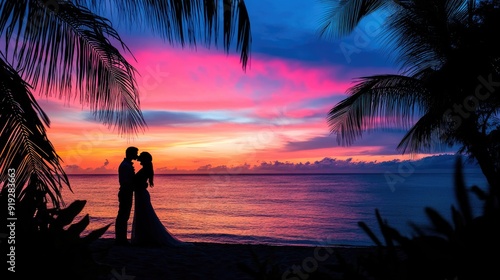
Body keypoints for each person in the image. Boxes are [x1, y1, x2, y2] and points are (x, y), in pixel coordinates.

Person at [131, 151, 191, 247]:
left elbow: (139, 182)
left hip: (141, 194)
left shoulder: (145, 169)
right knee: (143, 215)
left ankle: (145, 238)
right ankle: (144, 238)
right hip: (140, 194)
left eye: (141, 158)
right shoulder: (146, 169)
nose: (139, 160)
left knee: (144, 215)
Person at [115, 146, 139, 245]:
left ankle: (121, 238)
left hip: (127, 192)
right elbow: (126, 181)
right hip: (125, 192)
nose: (137, 155)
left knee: (124, 215)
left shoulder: (126, 164)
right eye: (135, 153)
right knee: (123, 216)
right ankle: (121, 239)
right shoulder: (125, 165)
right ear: (131, 154)